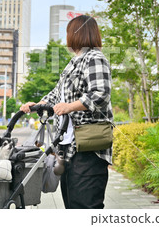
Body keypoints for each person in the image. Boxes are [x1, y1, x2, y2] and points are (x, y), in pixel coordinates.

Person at [20, 15, 113, 209]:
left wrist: (70, 106)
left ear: (78, 34)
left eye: (69, 33)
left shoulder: (95, 58)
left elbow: (101, 93)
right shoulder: (73, 63)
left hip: (88, 148)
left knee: (86, 206)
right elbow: (57, 94)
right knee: (72, 205)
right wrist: (37, 104)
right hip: (68, 148)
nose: (67, 38)